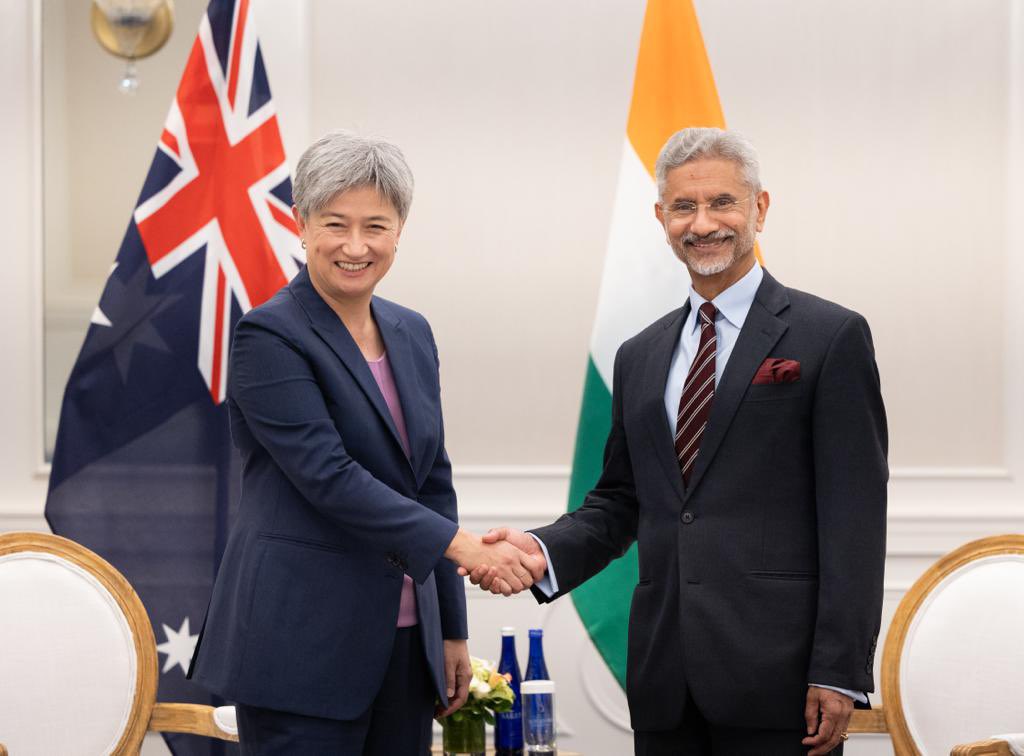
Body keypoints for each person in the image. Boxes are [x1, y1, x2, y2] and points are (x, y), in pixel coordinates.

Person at [464, 127, 887, 755]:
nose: (703, 223)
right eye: (684, 206)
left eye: (722, 202)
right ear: (661, 217)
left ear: (759, 208)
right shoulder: (639, 354)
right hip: (666, 682)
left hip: (784, 683)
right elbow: (618, 503)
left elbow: (855, 517)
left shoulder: (830, 336)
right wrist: (539, 550)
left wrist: (839, 669)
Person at [188, 131, 543, 755]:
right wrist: (464, 547)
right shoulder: (268, 335)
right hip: (300, 644)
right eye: (336, 224)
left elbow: (432, 481)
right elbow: (329, 476)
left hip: (405, 643)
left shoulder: (412, 331)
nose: (356, 247)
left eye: (375, 226)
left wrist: (451, 628)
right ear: (301, 224)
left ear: (399, 230)